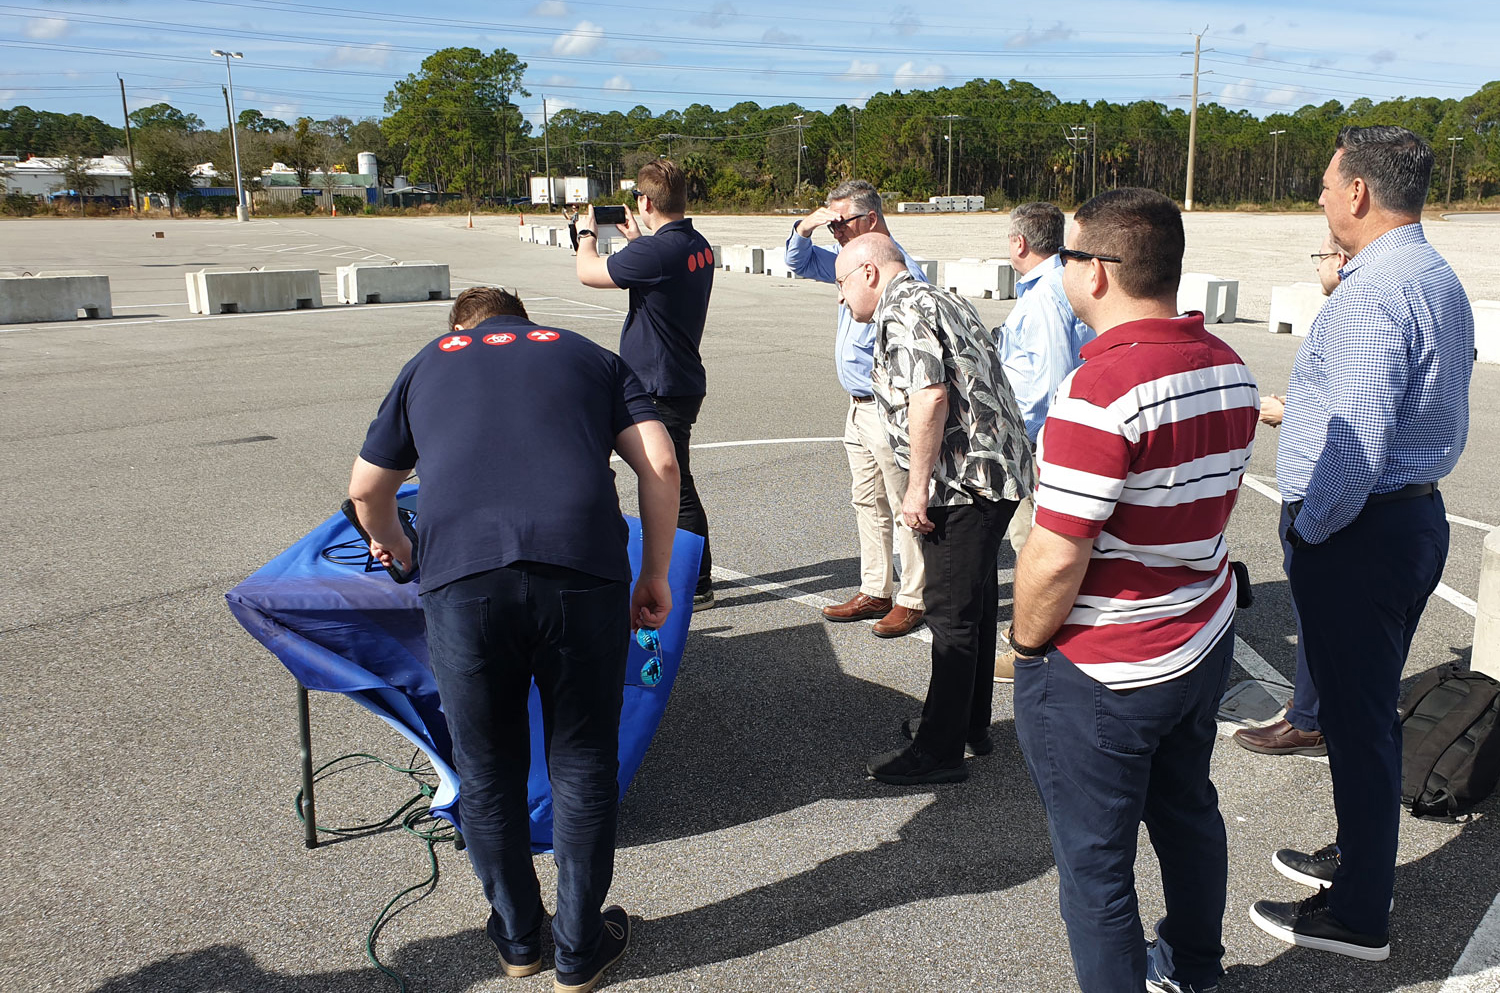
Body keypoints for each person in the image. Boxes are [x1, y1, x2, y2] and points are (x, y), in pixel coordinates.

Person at [346, 287, 681, 993]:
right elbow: (662, 464)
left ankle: (519, 939)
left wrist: (399, 546)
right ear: (525, 320)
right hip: (580, 568)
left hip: (465, 579)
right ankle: (580, 948)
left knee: (489, 767)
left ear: (460, 327)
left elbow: (368, 490)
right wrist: (654, 573)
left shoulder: (431, 360)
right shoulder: (589, 356)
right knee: (583, 760)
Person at [1009, 188, 1259, 993]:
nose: (1061, 271)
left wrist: (1023, 646)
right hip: (1199, 638)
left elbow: (1054, 558)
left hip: (1107, 665)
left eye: (1069, 258)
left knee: (1095, 867)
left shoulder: (1101, 389)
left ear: (1101, 274)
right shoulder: (1229, 366)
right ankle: (1193, 966)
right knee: (1187, 814)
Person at [1249, 125, 1473, 962]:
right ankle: (1361, 860)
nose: (1316, 197)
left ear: (1357, 193)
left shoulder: (1375, 293)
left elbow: (1356, 443)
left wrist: (1309, 530)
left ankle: (1357, 915)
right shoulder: (1431, 274)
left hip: (1360, 527)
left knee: (1357, 722)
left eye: (1323, 184)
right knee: (1362, 713)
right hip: (1406, 518)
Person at [834, 233, 1034, 785]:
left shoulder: (903, 310)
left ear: (870, 273)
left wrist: (916, 489)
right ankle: (966, 725)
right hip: (998, 474)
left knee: (949, 616)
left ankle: (939, 751)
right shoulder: (938, 296)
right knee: (970, 605)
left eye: (842, 283)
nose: (842, 298)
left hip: (962, 483)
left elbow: (930, 396)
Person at [785, 178, 931, 637]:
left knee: (905, 502)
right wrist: (806, 227)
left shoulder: (894, 271)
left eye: (841, 223)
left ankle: (913, 596)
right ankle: (876, 587)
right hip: (857, 406)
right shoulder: (853, 260)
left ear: (870, 220)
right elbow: (797, 261)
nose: (837, 233)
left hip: (890, 408)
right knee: (867, 500)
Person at [576, 159, 717, 610]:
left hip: (659, 383)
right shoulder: (695, 244)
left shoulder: (657, 254)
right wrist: (638, 239)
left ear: (646, 201)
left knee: (671, 481)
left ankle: (696, 582)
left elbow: (589, 273)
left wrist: (585, 235)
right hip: (678, 375)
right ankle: (692, 577)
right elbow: (658, 274)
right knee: (674, 477)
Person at [1232, 232, 1349, 759]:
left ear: (1341, 259)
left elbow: (1357, 420)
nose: (1318, 265)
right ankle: (1326, 709)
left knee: (1317, 613)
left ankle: (1308, 719)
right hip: (1361, 494)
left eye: (1321, 255)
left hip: (1321, 492)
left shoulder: (1354, 309)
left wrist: (1287, 413)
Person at [991, 201, 1096, 682]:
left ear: (1019, 243)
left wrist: (1033, 447)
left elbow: (1052, 377)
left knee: (1033, 544)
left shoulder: (1045, 295)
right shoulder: (1055, 285)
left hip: (1039, 440)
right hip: (1049, 436)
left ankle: (1033, 646)